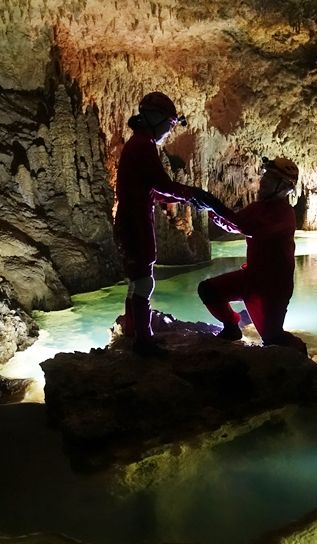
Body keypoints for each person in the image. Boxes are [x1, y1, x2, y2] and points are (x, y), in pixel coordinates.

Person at [113, 91, 201, 356]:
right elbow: (161, 185)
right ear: (156, 119)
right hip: (137, 221)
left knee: (136, 278)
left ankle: (132, 330)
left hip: (130, 218)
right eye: (170, 124)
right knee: (144, 282)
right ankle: (143, 340)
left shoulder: (137, 144)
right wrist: (192, 194)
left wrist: (183, 196)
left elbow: (152, 188)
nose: (169, 130)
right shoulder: (143, 146)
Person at [196, 157, 307, 355]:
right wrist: (212, 211)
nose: (263, 182)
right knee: (208, 290)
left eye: (271, 179)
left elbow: (248, 227)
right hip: (251, 278)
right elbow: (235, 224)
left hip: (273, 289)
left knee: (273, 339)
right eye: (265, 177)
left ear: (284, 187)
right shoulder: (258, 207)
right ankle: (232, 327)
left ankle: (302, 359)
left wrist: (215, 205)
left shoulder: (284, 214)